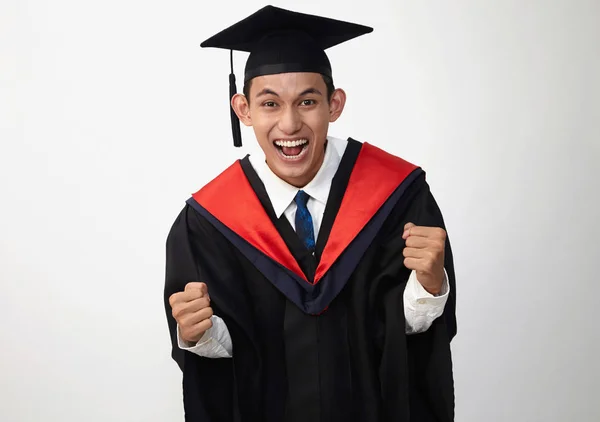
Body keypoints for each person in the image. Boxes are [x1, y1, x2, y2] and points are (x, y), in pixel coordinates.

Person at [163, 5, 457, 422]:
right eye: (269, 104)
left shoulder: (397, 196)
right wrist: (197, 334)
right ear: (243, 110)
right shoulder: (208, 222)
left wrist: (430, 286)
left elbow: (404, 337)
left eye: (307, 101)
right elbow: (226, 357)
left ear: (334, 105)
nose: (289, 123)